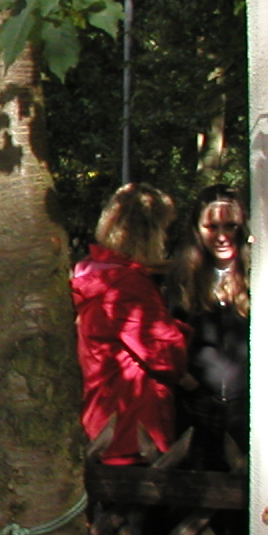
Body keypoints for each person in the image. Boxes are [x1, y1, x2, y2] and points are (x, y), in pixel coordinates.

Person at [71, 183, 187, 464]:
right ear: (149, 233)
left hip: (105, 423)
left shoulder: (95, 277)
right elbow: (166, 355)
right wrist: (182, 329)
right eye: (164, 230)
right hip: (133, 430)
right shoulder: (127, 285)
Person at [168, 187, 251, 465]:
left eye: (230, 226)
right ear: (197, 230)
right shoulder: (182, 279)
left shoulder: (260, 274)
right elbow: (169, 337)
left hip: (247, 408)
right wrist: (188, 383)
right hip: (197, 408)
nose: (222, 236)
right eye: (212, 227)